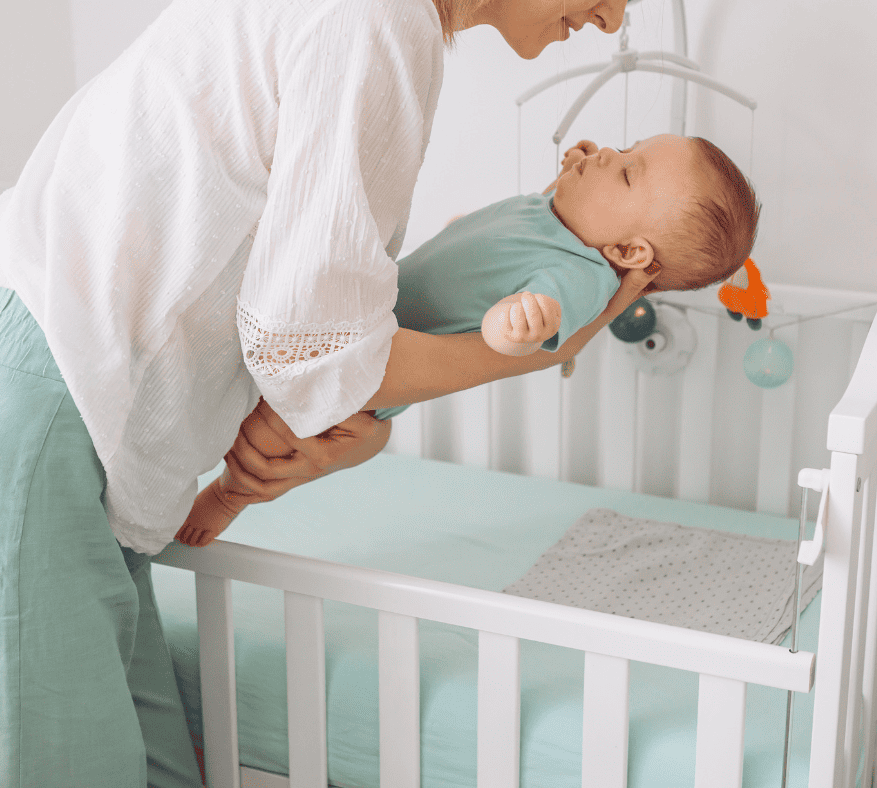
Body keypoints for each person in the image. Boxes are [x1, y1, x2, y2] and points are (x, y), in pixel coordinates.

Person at [0, 1, 651, 787]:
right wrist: (522, 359)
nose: (615, 17)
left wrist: (349, 415)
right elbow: (308, 345)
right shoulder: (375, 22)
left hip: (68, 412)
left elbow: (294, 320)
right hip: (45, 410)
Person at [176, 133, 760, 548]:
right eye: (627, 147)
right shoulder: (554, 215)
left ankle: (229, 496)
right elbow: (548, 215)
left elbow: (544, 325)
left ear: (630, 255)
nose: (609, 152)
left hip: (364, 384)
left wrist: (520, 323)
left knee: (269, 436)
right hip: (358, 320)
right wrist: (582, 169)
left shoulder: (580, 275)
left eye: (628, 171)